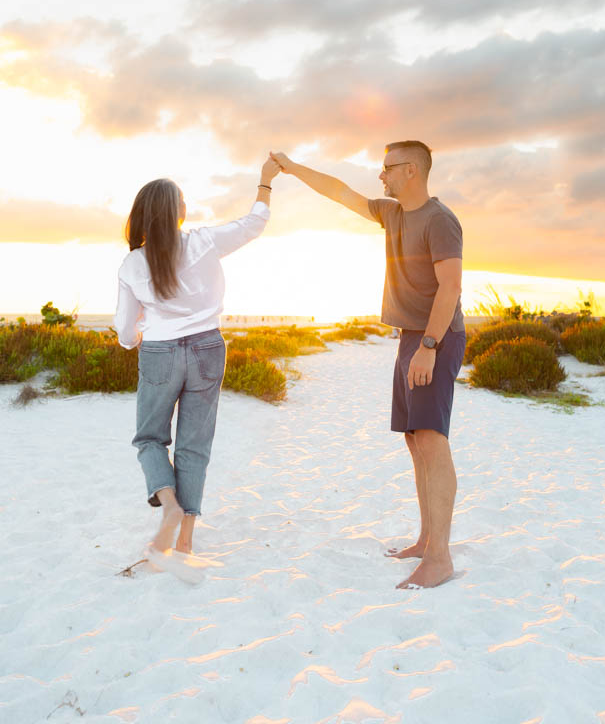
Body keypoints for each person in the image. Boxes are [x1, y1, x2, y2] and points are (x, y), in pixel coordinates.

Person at [270, 141, 464, 589]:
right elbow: (339, 192)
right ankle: (425, 540)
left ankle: (440, 558)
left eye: (388, 168)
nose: (381, 176)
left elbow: (450, 288)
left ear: (412, 170)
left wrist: (430, 346)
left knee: (433, 440)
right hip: (412, 337)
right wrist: (294, 168)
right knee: (415, 440)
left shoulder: (441, 220)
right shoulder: (393, 214)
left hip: (438, 336)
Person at [114, 157, 280, 577]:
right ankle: (184, 540)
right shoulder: (205, 241)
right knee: (194, 444)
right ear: (178, 213)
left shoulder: (132, 263)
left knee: (150, 438)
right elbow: (254, 222)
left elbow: (123, 329)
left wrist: (135, 336)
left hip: (160, 352)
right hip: (208, 347)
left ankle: (168, 506)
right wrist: (264, 181)